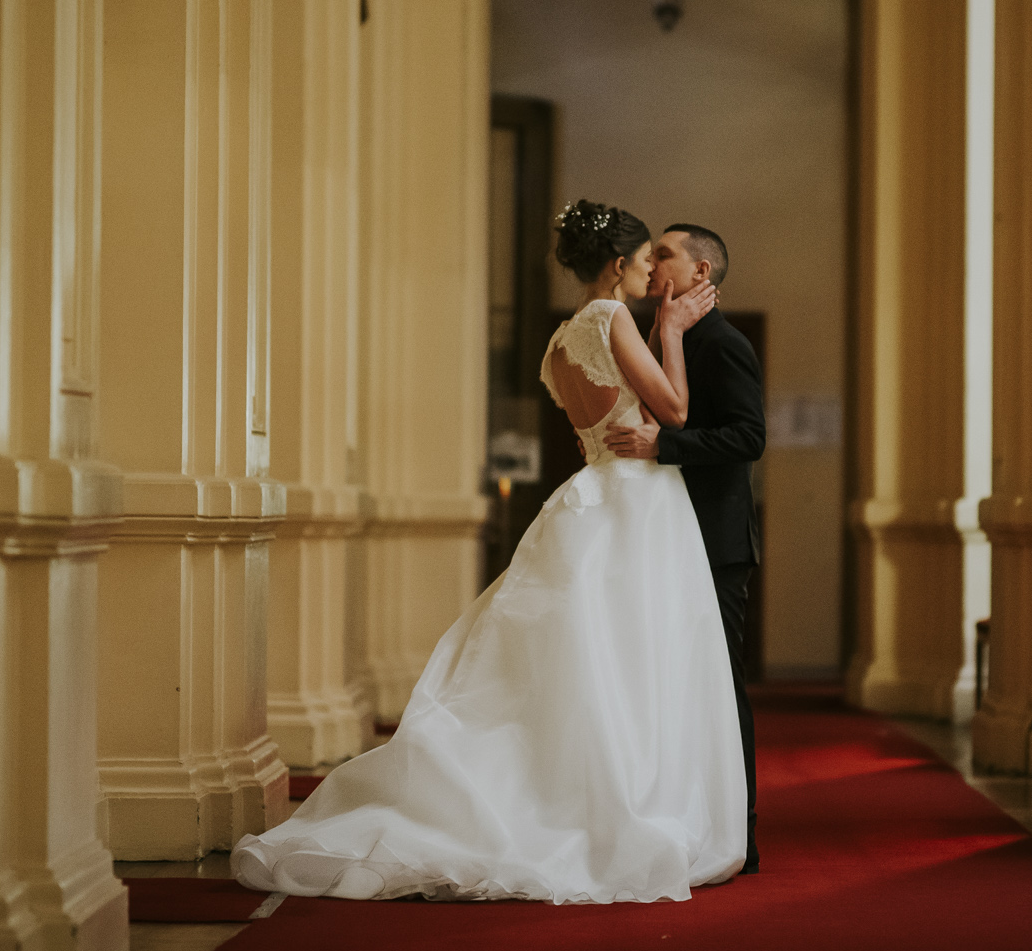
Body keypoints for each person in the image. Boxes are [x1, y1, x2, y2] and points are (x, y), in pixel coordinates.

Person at [230, 200, 745, 903]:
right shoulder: (616, 318)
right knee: (630, 660)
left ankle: (566, 794)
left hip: (592, 493)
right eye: (648, 259)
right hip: (639, 504)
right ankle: (617, 801)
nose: (655, 270)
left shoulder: (560, 340)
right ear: (619, 265)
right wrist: (673, 330)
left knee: (587, 662)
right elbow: (676, 413)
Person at [604, 223, 766, 873]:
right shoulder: (659, 338)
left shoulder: (723, 345)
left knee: (723, 688)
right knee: (672, 687)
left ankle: (740, 834)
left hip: (716, 541)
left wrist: (662, 446)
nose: (652, 262)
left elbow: (748, 436)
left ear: (702, 274)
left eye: (664, 253)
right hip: (664, 536)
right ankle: (682, 818)